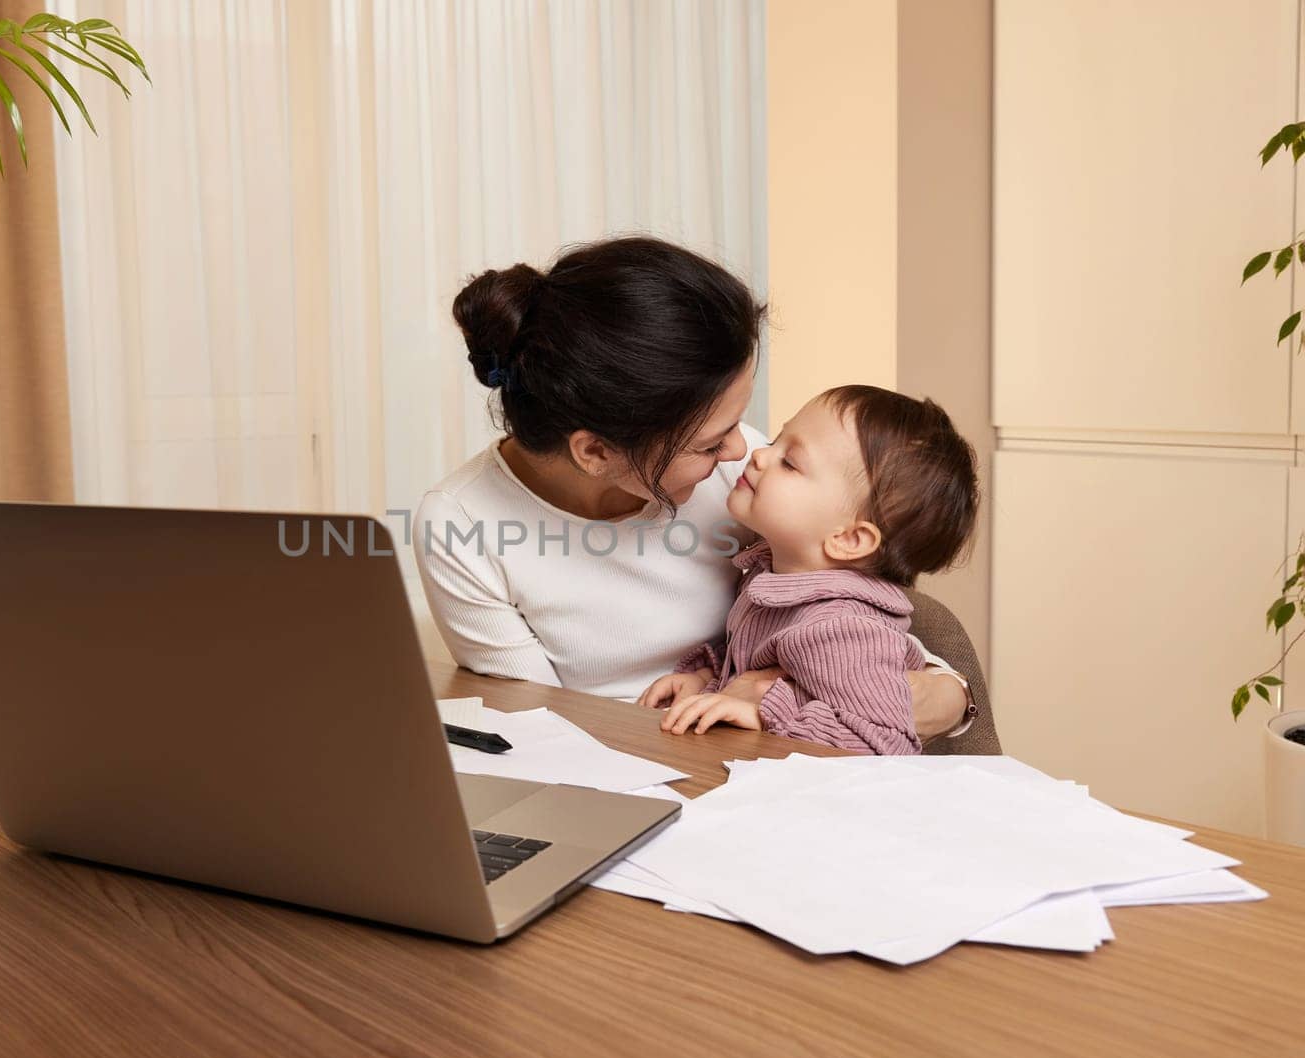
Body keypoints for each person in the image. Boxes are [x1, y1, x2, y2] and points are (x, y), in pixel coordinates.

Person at [413, 236, 972, 737]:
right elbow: (540, 732)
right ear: (596, 452)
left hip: (761, 763)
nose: (742, 450)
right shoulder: (460, 526)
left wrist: (947, 695)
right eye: (709, 443)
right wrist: (719, 685)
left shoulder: (744, 479)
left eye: (739, 423)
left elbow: (857, 630)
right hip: (617, 780)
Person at [644, 386, 979, 754]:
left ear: (850, 539)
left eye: (789, 463)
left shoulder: (842, 629)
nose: (758, 455)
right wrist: (707, 681)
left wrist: (766, 715)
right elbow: (757, 666)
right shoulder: (772, 575)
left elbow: (883, 742)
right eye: (775, 441)